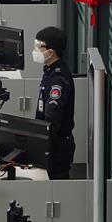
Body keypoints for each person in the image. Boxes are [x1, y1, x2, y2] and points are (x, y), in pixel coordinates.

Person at [33, 27, 75, 180]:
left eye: (39, 47)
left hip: (56, 150)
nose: (35, 50)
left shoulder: (58, 79)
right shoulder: (50, 71)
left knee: (56, 191)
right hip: (50, 146)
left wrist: (39, 148)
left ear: (51, 52)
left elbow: (52, 121)